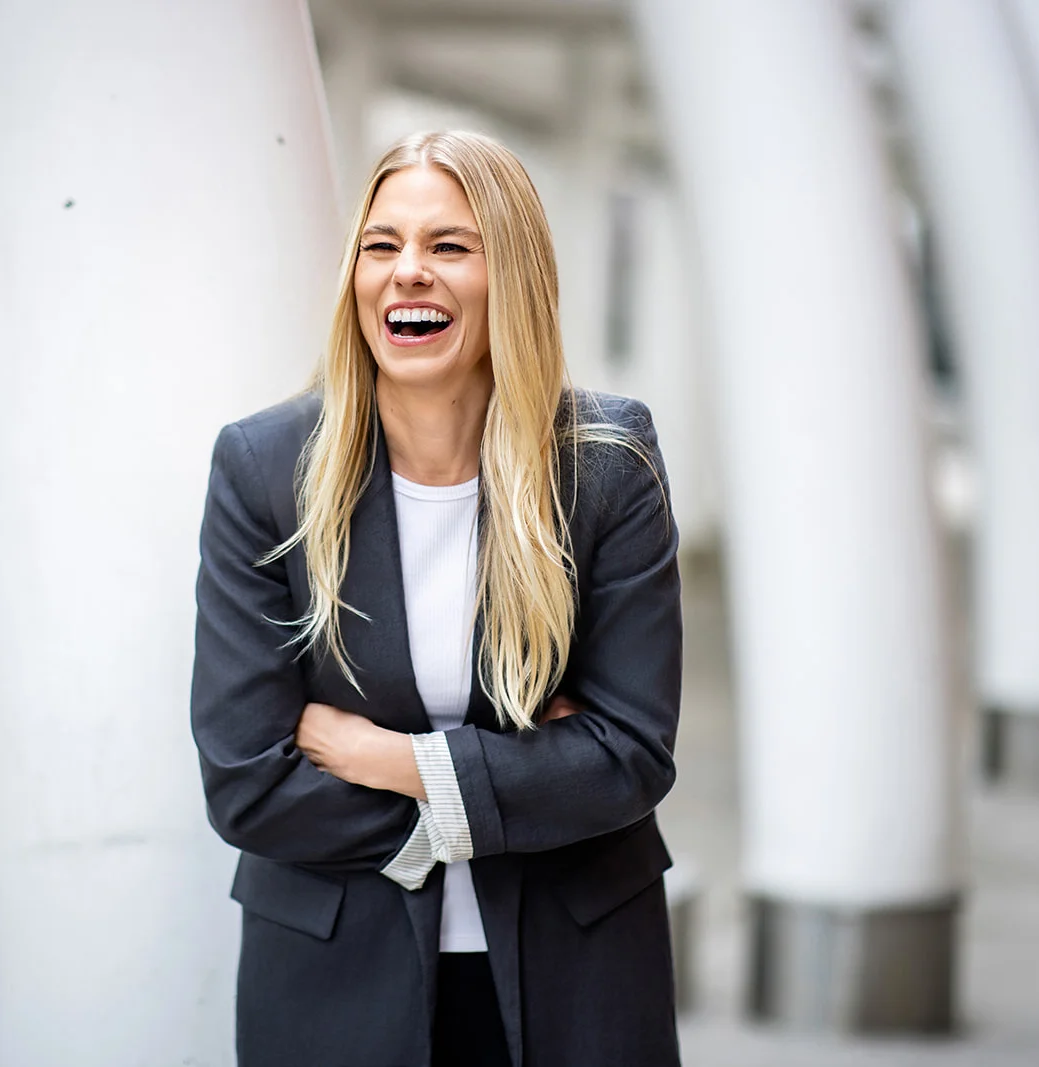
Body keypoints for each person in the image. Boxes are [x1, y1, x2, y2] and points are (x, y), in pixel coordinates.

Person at [191, 130, 683, 1067]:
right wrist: (518, 786)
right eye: (382, 245)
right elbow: (248, 782)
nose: (408, 271)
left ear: (515, 277)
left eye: (449, 245)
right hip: (337, 974)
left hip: (577, 965)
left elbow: (628, 754)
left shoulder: (607, 463)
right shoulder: (263, 468)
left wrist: (385, 758)